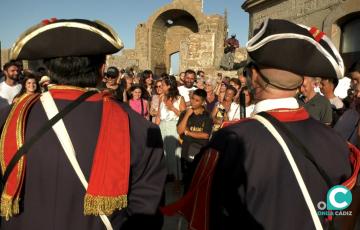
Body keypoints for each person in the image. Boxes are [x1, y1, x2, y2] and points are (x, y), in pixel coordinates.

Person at [163, 19, 356, 230]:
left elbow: (201, 219)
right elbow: (345, 211)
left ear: (253, 76)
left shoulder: (229, 142)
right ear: (301, 82)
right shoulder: (337, 142)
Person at [0, 19, 166, 230]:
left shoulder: (9, 119)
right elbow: (146, 217)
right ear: (102, 69)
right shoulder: (143, 130)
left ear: (47, 69)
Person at [176, 89, 212, 192]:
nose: (193, 102)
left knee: (198, 180)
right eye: (192, 99)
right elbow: (179, 130)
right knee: (186, 180)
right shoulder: (184, 113)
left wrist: (188, 133)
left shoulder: (207, 116)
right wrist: (187, 115)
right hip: (186, 150)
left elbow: (205, 135)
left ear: (203, 102)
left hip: (200, 151)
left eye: (197, 100)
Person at [155, 75, 186, 182]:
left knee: (173, 154)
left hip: (174, 128)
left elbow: (184, 116)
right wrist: (155, 129)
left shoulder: (180, 98)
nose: (161, 87)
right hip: (162, 128)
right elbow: (158, 115)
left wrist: (172, 107)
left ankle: (176, 179)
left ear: (169, 86)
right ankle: (165, 177)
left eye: (163, 85)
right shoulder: (161, 97)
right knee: (163, 153)